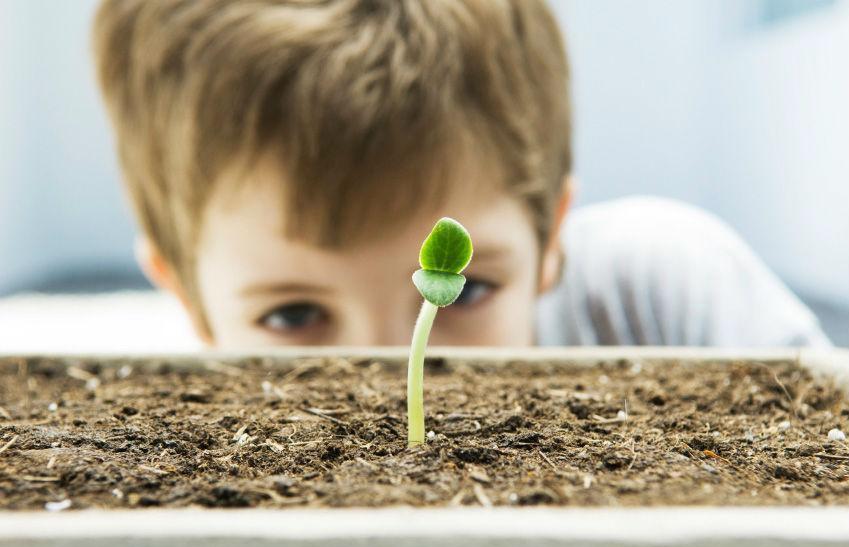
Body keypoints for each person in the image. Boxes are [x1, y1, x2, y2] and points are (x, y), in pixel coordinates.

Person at [92, 0, 830, 349]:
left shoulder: (665, 295)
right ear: (186, 298)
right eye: (292, 315)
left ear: (551, 239)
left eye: (465, 288)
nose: (385, 364)